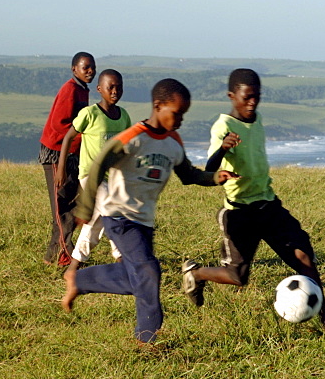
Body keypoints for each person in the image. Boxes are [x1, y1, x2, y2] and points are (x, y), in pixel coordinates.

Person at [61, 79, 236, 345]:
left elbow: (188, 175)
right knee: (149, 271)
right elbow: (99, 163)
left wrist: (214, 177)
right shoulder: (134, 137)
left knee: (137, 277)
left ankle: (80, 279)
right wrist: (85, 207)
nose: (179, 120)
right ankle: (147, 340)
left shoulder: (173, 143)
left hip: (143, 222)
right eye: (176, 113)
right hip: (118, 216)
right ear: (158, 106)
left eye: (183, 115)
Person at [181, 69, 325, 334]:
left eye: (257, 97)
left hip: (269, 207)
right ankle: (196, 274)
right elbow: (209, 166)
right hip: (239, 213)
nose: (252, 103)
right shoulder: (223, 127)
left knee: (305, 260)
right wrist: (224, 148)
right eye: (247, 98)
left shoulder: (256, 120)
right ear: (231, 96)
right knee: (237, 277)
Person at [55, 69, 131, 274]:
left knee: (97, 220)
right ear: (100, 89)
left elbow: (124, 145)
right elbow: (69, 137)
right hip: (90, 175)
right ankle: (121, 257)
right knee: (110, 210)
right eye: (111, 87)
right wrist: (61, 167)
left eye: (119, 87)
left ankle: (74, 266)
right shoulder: (90, 114)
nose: (115, 91)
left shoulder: (123, 116)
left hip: (111, 177)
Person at [38, 51, 96, 266]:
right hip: (56, 153)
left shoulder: (82, 89)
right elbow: (60, 126)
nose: (90, 71)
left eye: (92, 67)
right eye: (85, 67)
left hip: (69, 153)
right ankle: (65, 255)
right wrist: (85, 138)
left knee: (69, 205)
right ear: (74, 69)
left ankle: (53, 256)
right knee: (62, 207)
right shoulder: (71, 89)